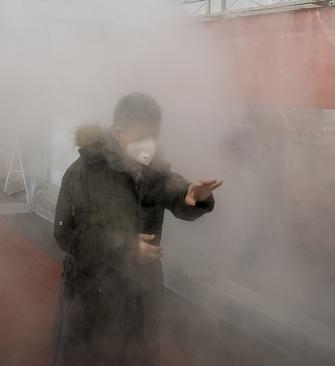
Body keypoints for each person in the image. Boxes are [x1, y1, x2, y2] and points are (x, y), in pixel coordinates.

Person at [52, 93, 222, 366]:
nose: (150, 144)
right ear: (118, 132)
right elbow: (65, 234)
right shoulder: (82, 173)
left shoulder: (154, 172)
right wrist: (125, 248)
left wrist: (197, 198)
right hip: (92, 293)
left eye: (154, 135)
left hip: (141, 293)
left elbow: (181, 198)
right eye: (143, 135)